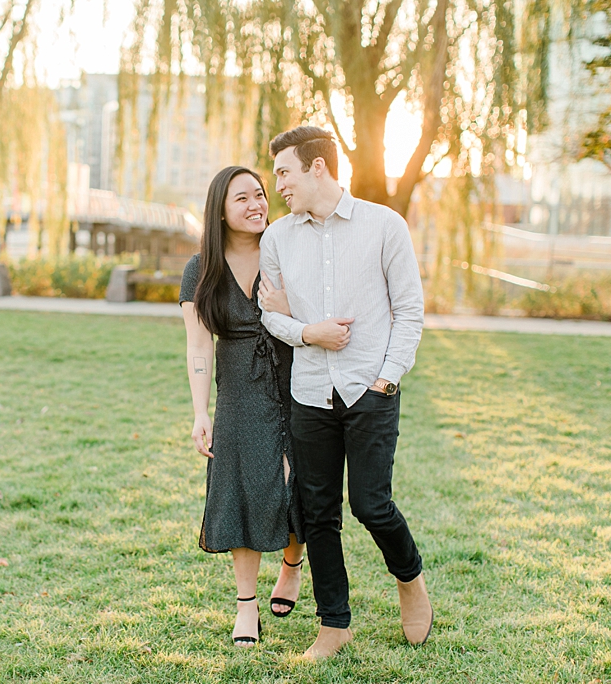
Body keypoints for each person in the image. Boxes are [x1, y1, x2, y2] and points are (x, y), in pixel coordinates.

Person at [257, 126, 432, 659]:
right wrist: (309, 332)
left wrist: (387, 377)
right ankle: (334, 624)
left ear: (317, 167)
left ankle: (410, 582)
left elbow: (409, 311)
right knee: (317, 512)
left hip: (370, 388)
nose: (278, 184)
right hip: (309, 391)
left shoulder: (384, 225)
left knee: (372, 504)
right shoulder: (278, 239)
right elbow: (270, 314)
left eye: (285, 171)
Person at [179, 166, 315, 648]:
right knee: (242, 491)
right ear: (220, 210)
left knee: (299, 483)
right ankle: (245, 608)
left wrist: (290, 308)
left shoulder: (287, 251)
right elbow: (198, 346)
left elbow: (320, 314)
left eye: (261, 195)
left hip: (298, 383)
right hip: (238, 393)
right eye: (243, 198)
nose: (258, 203)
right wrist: (201, 412)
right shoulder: (201, 270)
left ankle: (293, 567)